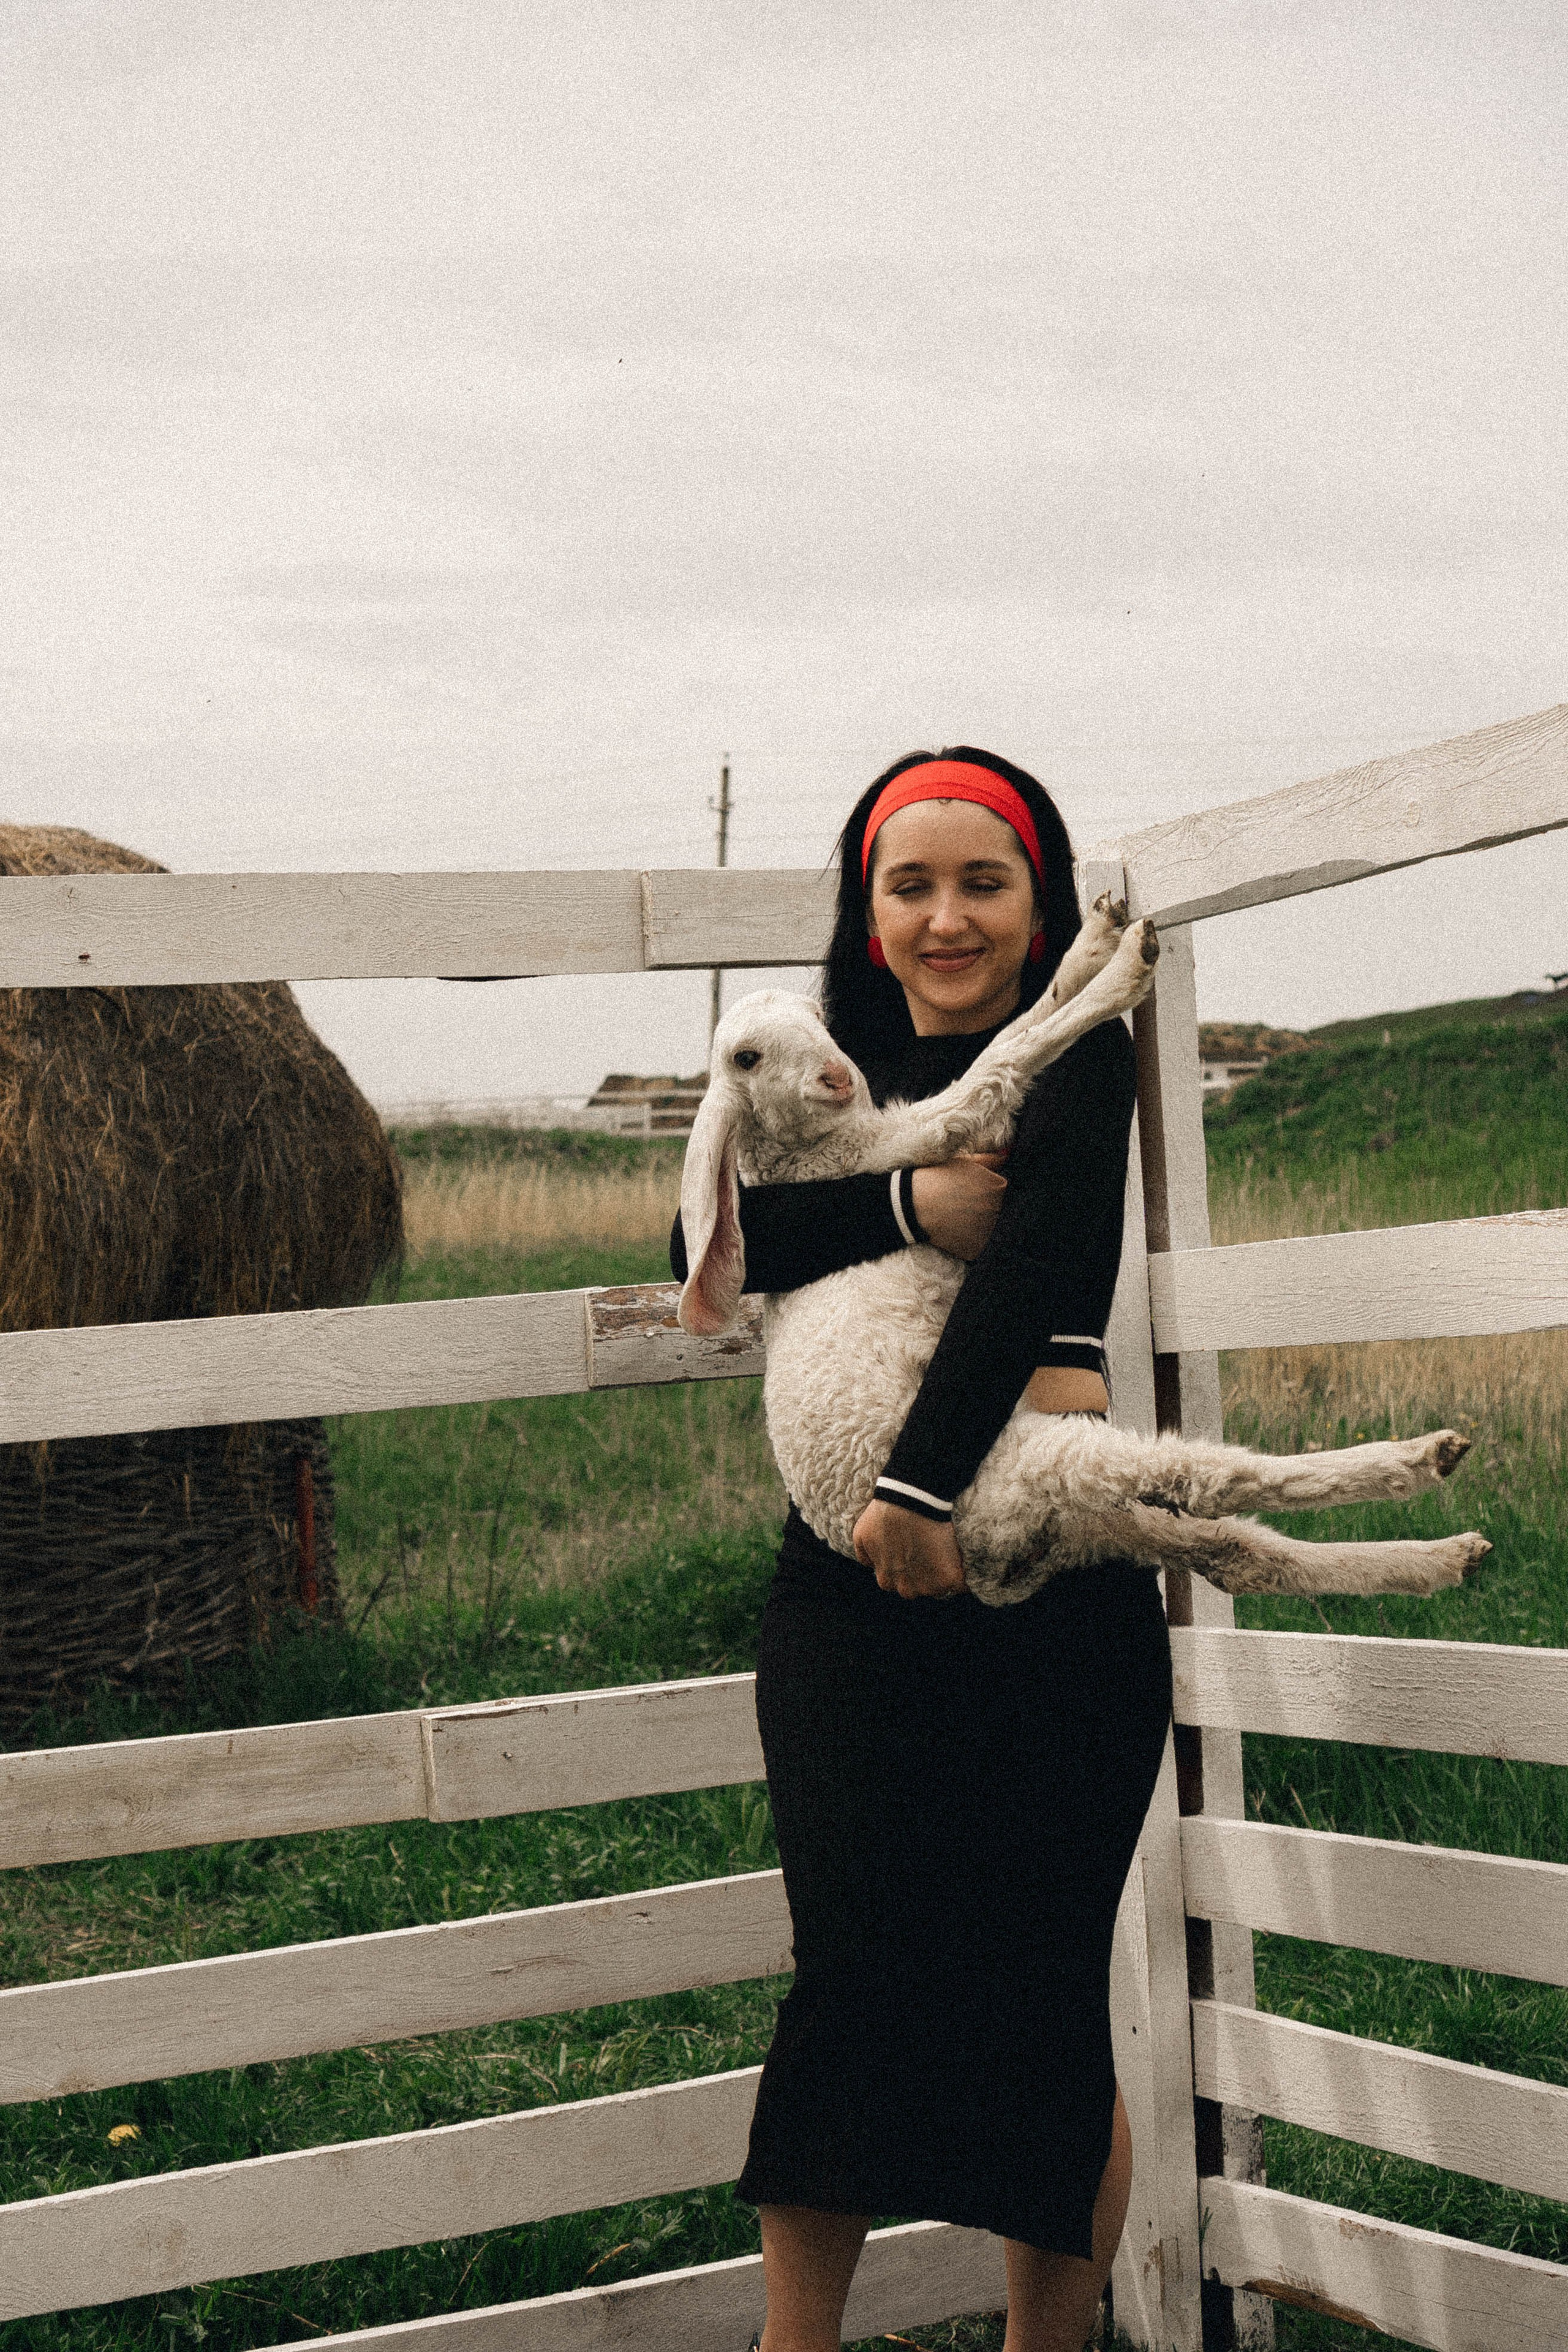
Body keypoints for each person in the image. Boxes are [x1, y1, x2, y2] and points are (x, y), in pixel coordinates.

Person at [670, 750, 1173, 2352]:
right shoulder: (831, 1066)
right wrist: (904, 1207)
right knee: (853, 1971)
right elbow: (697, 1247)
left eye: (985, 882)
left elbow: (1038, 1265)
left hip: (1041, 1583)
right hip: (847, 1602)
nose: (946, 917)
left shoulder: (1079, 1062)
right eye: (911, 885)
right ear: (868, 909)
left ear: (1038, 903)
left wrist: (925, 1484)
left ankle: (1050, 2342)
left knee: (1040, 1993)